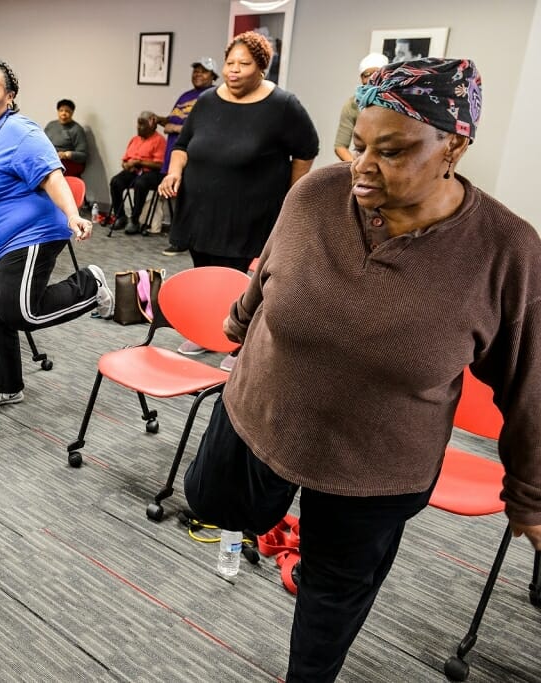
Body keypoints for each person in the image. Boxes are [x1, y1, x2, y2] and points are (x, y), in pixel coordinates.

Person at [183, 58, 541, 681]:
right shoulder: (317, 193)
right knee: (209, 500)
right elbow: (270, 269)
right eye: (358, 143)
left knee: (332, 597)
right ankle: (270, 521)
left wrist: (531, 498)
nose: (362, 167)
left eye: (393, 151)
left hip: (377, 467)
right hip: (261, 415)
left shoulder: (505, 250)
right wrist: (240, 324)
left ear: (455, 145)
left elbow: (531, 386)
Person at [0, 59, 113, 410]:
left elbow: (51, 176)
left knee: (18, 312)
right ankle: (6, 385)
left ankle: (90, 285)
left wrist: (74, 216)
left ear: (9, 97)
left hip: (29, 234)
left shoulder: (21, 132)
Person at [158, 31, 317, 355]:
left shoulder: (282, 105)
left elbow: (306, 150)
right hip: (200, 207)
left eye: (243, 64)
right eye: (230, 62)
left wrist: (293, 195)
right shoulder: (207, 101)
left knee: (237, 279)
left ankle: (237, 344)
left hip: (249, 211)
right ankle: (206, 331)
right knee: (203, 271)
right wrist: (174, 172)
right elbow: (183, 145)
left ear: (261, 68)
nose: (233, 69)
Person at [156, 57, 218, 255]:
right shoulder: (186, 96)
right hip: (174, 155)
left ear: (213, 76)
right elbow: (174, 119)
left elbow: (208, 128)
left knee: (189, 200)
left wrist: (175, 127)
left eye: (204, 71)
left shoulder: (212, 96)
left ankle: (183, 241)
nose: (198, 74)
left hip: (193, 158)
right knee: (177, 198)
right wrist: (160, 120)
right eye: (196, 70)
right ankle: (180, 237)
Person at [108, 111, 166, 235]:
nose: (139, 127)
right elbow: (125, 160)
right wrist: (126, 165)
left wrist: (138, 163)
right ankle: (120, 216)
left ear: (152, 126)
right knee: (116, 181)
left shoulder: (159, 140)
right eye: (138, 124)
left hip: (153, 173)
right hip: (134, 171)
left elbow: (159, 164)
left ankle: (134, 220)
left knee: (140, 183)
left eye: (143, 124)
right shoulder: (134, 140)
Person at [333, 53, 388, 161]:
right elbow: (340, 146)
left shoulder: (398, 104)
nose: (371, 78)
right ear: (361, 78)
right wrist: (357, 167)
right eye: (366, 74)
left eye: (376, 73)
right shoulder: (352, 105)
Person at [44, 99, 88, 178]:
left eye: (67, 111)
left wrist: (66, 154)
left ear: (72, 113)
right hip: (50, 159)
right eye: (61, 110)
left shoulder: (77, 129)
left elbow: (83, 155)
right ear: (57, 111)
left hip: (66, 163)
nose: (64, 113)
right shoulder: (51, 125)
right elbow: (42, 143)